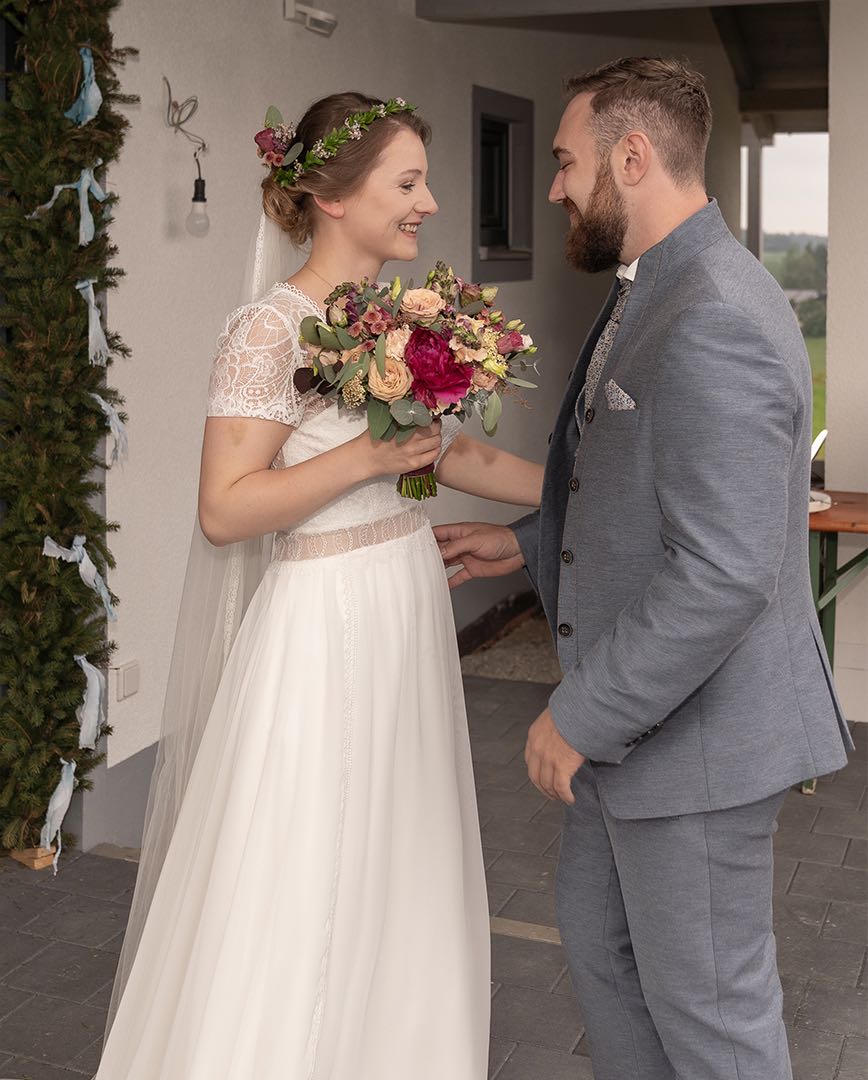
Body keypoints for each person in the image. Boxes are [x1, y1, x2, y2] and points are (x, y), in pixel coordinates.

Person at [95, 92, 543, 1079]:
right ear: (334, 197)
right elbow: (225, 507)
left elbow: (452, 453)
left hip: (402, 605)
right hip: (324, 618)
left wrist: (581, 497)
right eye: (407, 180)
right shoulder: (270, 329)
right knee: (313, 864)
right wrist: (362, 462)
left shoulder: (394, 322)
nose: (427, 201)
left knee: (398, 855)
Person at [435, 57, 852, 1080]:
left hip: (692, 744)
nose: (552, 189)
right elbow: (637, 489)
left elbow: (720, 573)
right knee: (605, 954)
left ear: (631, 157)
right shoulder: (653, 285)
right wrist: (528, 542)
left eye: (567, 162)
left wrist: (579, 714)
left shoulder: (712, 313)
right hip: (639, 740)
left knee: (711, 1019)